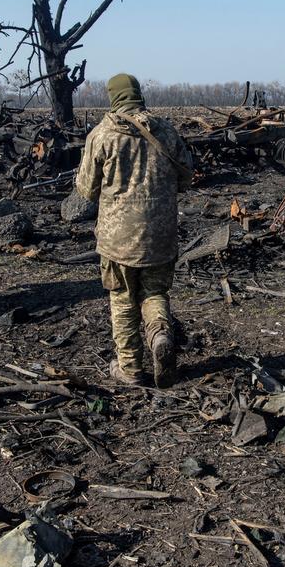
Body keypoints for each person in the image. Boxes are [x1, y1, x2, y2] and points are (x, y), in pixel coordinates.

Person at [76, 73, 194, 388]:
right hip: (160, 235)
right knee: (155, 293)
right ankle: (159, 337)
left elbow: (86, 190)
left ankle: (130, 368)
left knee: (122, 298)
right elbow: (186, 178)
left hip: (118, 240)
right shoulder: (166, 131)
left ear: (113, 97)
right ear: (138, 94)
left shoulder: (102, 135)